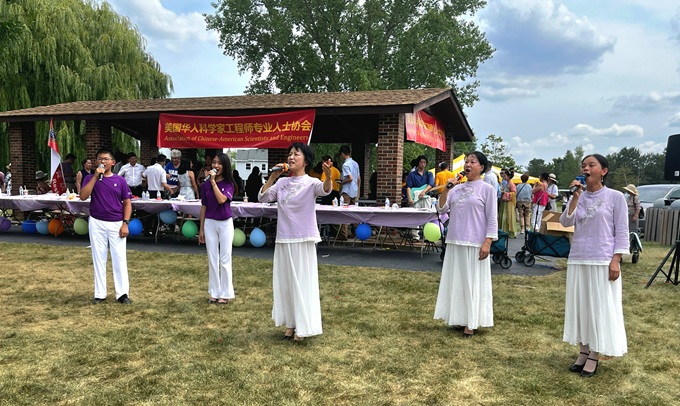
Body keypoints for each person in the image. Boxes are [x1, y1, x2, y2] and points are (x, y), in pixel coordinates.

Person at [560, 154, 628, 377]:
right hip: (578, 257)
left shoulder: (615, 197)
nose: (586, 168)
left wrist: (616, 259)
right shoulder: (578, 196)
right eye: (583, 165)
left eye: (591, 165)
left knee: (598, 307)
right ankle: (583, 350)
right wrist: (575, 196)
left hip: (602, 259)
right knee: (581, 307)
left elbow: (622, 231)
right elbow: (565, 222)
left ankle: (595, 354)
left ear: (603, 171)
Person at [258, 142, 332, 341]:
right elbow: (263, 198)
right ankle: (290, 325)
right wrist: (272, 177)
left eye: (296, 154)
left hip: (304, 237)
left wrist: (328, 177)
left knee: (302, 281)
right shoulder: (281, 183)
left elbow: (325, 189)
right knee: (286, 283)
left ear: (305, 161)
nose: (291, 157)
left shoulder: (311, 182)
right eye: (290, 154)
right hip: (284, 238)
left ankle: (303, 326)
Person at [434, 151, 498, 338]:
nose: (468, 165)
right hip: (455, 239)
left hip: (474, 242)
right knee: (457, 281)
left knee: (472, 283)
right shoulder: (456, 189)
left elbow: (492, 218)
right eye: (466, 161)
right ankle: (458, 317)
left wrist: (488, 242)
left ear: (481, 167)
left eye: (473, 162)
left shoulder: (487, 189)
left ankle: (471, 322)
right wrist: (446, 189)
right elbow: (442, 208)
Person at [79, 149, 133, 305]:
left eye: (106, 159)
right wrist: (95, 176)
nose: (103, 161)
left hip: (116, 222)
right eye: (100, 159)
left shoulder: (120, 181)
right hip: (97, 222)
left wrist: (125, 223)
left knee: (119, 258)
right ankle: (100, 293)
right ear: (96, 162)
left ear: (113, 162)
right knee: (98, 257)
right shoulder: (90, 178)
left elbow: (127, 203)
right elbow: (83, 196)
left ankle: (122, 293)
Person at [198, 153, 237, 305]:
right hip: (210, 222)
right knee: (212, 258)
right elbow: (203, 206)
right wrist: (201, 229)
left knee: (225, 258)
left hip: (225, 222)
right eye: (214, 162)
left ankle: (225, 293)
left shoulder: (229, 184)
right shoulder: (205, 185)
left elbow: (222, 200)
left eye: (219, 163)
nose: (216, 166)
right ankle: (214, 292)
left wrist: (213, 182)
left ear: (225, 166)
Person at [338, 145, 360, 239]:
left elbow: (349, 178)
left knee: (344, 211)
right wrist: (358, 190)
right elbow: (358, 178)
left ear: (342, 154)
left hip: (347, 190)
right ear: (350, 153)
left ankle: (343, 234)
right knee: (353, 212)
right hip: (354, 190)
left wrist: (342, 182)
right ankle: (356, 232)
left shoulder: (345, 165)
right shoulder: (355, 164)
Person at [499, 168, 517, 238]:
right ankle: (504, 230)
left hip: (508, 203)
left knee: (508, 216)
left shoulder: (511, 184)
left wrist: (506, 193)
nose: (504, 177)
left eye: (505, 176)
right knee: (504, 216)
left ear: (508, 176)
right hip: (505, 202)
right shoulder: (507, 183)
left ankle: (509, 231)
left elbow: (514, 193)